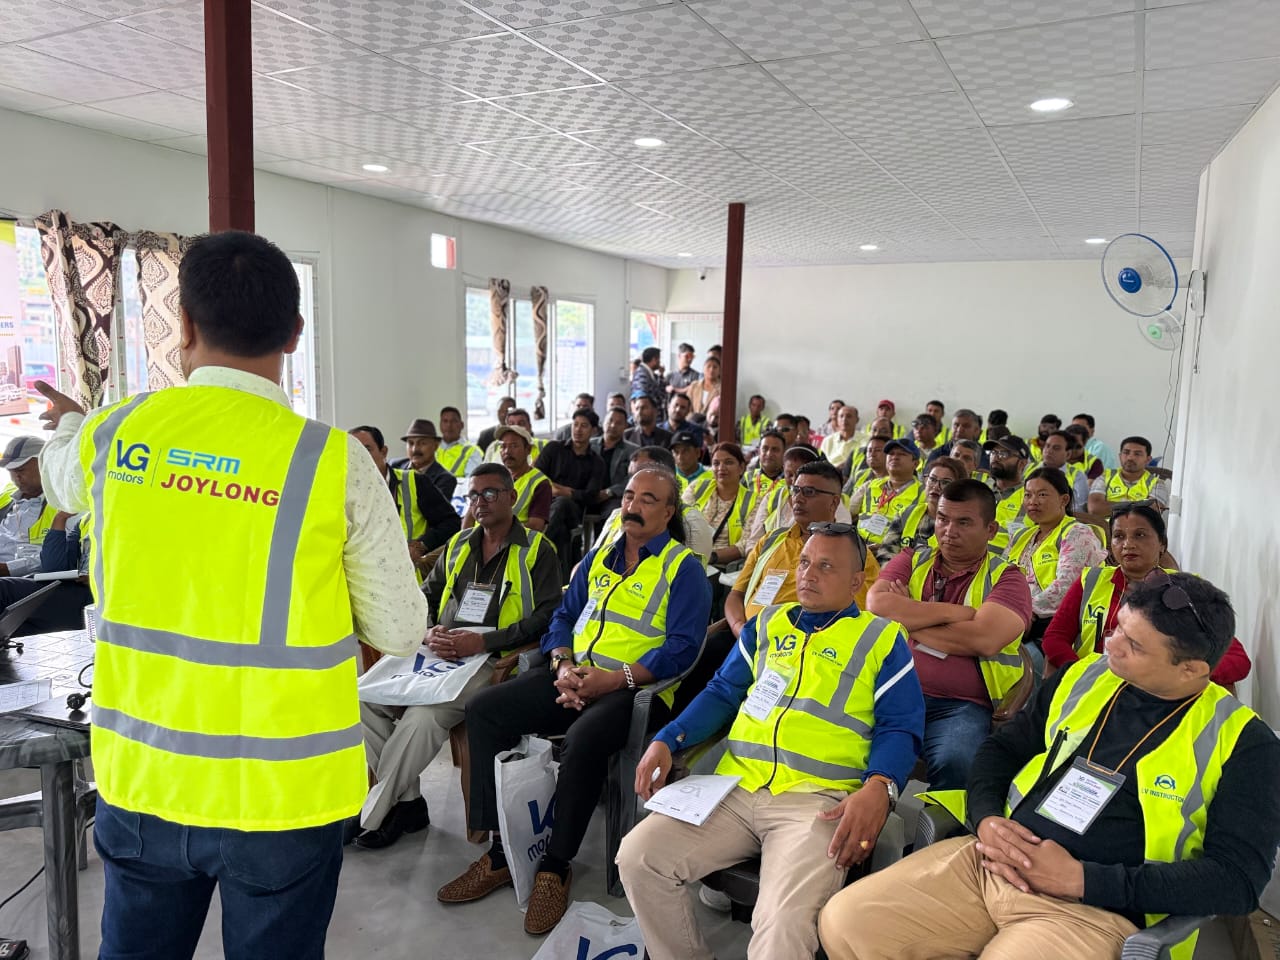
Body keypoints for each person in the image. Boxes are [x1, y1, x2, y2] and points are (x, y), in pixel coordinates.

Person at [36, 230, 428, 959]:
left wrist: (68, 419)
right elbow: (403, 630)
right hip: (284, 798)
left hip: (146, 781)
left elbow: (58, 471)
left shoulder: (118, 433)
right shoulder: (333, 461)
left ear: (183, 324)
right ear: (295, 333)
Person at [820, 574, 1280, 960]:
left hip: (1090, 911)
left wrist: (1084, 879)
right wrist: (987, 818)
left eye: (1134, 645)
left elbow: (1238, 881)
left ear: (1191, 669)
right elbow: (1000, 751)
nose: (1111, 644)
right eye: (1118, 627)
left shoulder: (1244, 742)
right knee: (846, 923)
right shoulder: (1086, 677)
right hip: (990, 863)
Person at [620, 525, 924, 960]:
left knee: (782, 923)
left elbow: (901, 726)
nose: (808, 574)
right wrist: (668, 738)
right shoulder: (767, 624)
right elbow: (723, 693)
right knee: (639, 856)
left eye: (826, 566)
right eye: (805, 562)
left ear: (856, 582)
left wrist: (881, 785)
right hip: (734, 789)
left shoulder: (881, 638)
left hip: (817, 803)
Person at [438, 467, 711, 935]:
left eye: (648, 499)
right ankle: (501, 852)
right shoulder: (599, 558)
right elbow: (563, 616)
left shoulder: (682, 568)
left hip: (635, 691)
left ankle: (554, 865)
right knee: (485, 709)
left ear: (669, 512)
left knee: (584, 740)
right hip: (574, 676)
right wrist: (563, 665)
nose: (633, 506)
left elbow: (683, 648)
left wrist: (614, 679)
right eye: (629, 496)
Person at [356, 464, 562, 849]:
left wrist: (483, 643)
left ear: (511, 497)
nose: (480, 502)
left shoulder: (537, 549)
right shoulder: (459, 543)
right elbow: (426, 596)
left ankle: (374, 812)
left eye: (490, 493)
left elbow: (548, 616)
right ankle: (407, 803)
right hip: (439, 652)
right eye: (473, 495)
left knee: (423, 717)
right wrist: (428, 629)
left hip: (492, 659)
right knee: (364, 698)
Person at [866, 480, 1032, 790]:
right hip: (891, 689)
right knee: (846, 737)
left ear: (991, 530)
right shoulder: (912, 558)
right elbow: (876, 605)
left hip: (960, 705)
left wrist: (907, 617)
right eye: (942, 518)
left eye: (964, 522)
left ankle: (941, 822)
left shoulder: (1007, 578)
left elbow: (983, 639)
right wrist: (955, 613)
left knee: (958, 761)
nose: (948, 531)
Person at [682, 460, 881, 713]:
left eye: (809, 492)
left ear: (834, 502)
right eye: (795, 490)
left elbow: (852, 620)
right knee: (698, 662)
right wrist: (741, 629)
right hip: (745, 635)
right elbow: (736, 595)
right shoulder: (772, 540)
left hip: (800, 650)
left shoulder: (855, 556)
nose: (798, 498)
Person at [1041, 504, 1251, 687]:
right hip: (1094, 686)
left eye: (1140, 535)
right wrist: (1082, 672)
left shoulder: (1186, 590)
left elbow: (1236, 659)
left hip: (1159, 695)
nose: (1128, 544)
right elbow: (1055, 637)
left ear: (1162, 544)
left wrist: (1175, 678)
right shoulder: (1091, 580)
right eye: (1119, 536)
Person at [1005, 467, 1105, 648]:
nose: (1033, 501)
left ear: (1064, 500)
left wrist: (1025, 609)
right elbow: (999, 577)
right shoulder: (1021, 536)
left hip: (1050, 625)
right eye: (1028, 495)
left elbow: (1067, 586)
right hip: (1013, 617)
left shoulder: (1077, 533)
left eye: (1042, 495)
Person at [350, 425, 461, 578]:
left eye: (366, 449)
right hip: (364, 576)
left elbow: (451, 523)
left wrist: (421, 545)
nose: (359, 456)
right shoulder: (345, 491)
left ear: (383, 452)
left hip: (408, 577)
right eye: (353, 451)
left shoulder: (414, 481)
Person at [587, 446, 713, 563]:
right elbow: (591, 561)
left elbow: (696, 570)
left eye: (643, 473)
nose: (635, 480)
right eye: (631, 476)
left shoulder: (691, 521)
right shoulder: (617, 514)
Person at [535, 409, 606, 580]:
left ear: (593, 430)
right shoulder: (554, 448)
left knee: (563, 503)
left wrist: (560, 490)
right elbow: (535, 477)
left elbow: (590, 496)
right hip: (544, 505)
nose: (578, 430)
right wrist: (567, 491)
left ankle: (538, 545)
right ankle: (563, 580)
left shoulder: (596, 462)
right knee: (562, 535)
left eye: (584, 426)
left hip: (574, 512)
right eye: (575, 425)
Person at [0, 509, 96, 635]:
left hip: (98, 596)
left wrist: (100, 578)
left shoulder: (121, 520)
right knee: (14, 626)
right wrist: (60, 518)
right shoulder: (87, 520)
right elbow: (53, 568)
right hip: (77, 591)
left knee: (3, 589)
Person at [874, 456, 967, 564]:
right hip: (898, 573)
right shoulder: (906, 514)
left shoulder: (961, 526)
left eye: (945, 482)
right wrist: (892, 574)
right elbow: (886, 553)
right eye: (932, 479)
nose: (936, 486)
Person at [684, 442, 757, 570]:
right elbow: (680, 521)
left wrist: (710, 557)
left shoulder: (754, 500)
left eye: (728, 462)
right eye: (716, 463)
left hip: (725, 567)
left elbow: (745, 543)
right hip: (688, 560)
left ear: (741, 468)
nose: (721, 468)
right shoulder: (697, 488)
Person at [0, 435, 57, 575]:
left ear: (45, 463)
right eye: (10, 471)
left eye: (20, 470)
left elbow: (58, 557)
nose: (16, 477)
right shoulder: (6, 495)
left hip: (27, 579)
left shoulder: (64, 504)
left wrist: (8, 569)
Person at [852, 438, 925, 547]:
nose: (895, 457)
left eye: (902, 454)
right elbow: (848, 513)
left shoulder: (923, 493)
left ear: (915, 463)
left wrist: (886, 547)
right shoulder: (871, 485)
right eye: (891, 454)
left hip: (892, 551)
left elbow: (922, 535)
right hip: (858, 546)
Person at [489, 424, 550, 532]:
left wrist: (497, 533)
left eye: (514, 446)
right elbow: (470, 514)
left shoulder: (540, 483)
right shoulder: (492, 477)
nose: (507, 451)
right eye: (503, 446)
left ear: (528, 449)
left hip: (515, 539)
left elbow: (536, 526)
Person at [1088, 436, 1170, 516]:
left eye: (1137, 454)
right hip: (1102, 525)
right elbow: (1094, 509)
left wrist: (1110, 507)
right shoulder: (1104, 477)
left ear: (1148, 459)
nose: (1130, 458)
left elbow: (1150, 513)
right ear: (1120, 456)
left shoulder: (1157, 484)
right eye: (1126, 452)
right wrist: (1139, 505)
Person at [389, 418, 456, 501]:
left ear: (436, 446)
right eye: (411, 443)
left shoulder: (445, 479)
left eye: (422, 443)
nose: (415, 449)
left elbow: (433, 507)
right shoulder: (394, 465)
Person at [984, 435, 1031, 552]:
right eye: (993, 452)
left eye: (1004, 454)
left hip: (1004, 560)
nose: (996, 457)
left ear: (1022, 463)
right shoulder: (980, 488)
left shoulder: (1030, 496)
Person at [589, 406, 637, 517]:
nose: (613, 425)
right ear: (603, 422)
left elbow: (632, 478)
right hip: (587, 494)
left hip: (614, 497)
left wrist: (610, 492)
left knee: (613, 512)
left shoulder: (633, 451)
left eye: (619, 423)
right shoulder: (589, 445)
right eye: (610, 420)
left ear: (625, 426)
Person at [1038, 430, 1089, 511]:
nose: (1049, 451)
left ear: (1068, 454)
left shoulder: (1077, 477)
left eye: (1056, 448)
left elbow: (1078, 509)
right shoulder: (1028, 469)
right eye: (1047, 446)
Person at [439, 405, 483, 479]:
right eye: (445, 421)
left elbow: (471, 481)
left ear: (462, 425)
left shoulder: (472, 451)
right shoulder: (432, 448)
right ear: (440, 425)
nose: (449, 425)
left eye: (453, 421)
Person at [744, 429, 786, 501]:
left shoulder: (790, 480)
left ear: (784, 453)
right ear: (759, 452)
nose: (769, 454)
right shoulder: (747, 478)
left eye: (775, 449)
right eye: (765, 449)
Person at [820, 405, 861, 469]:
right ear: (837, 420)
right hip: (830, 473)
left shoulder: (867, 440)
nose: (844, 419)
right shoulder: (828, 441)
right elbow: (821, 464)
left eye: (849, 416)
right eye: (841, 416)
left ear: (857, 420)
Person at [631, 345, 667, 410]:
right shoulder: (641, 374)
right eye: (659, 359)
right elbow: (642, 397)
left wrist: (661, 375)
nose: (660, 362)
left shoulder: (651, 374)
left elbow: (661, 391)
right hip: (646, 412)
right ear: (654, 359)